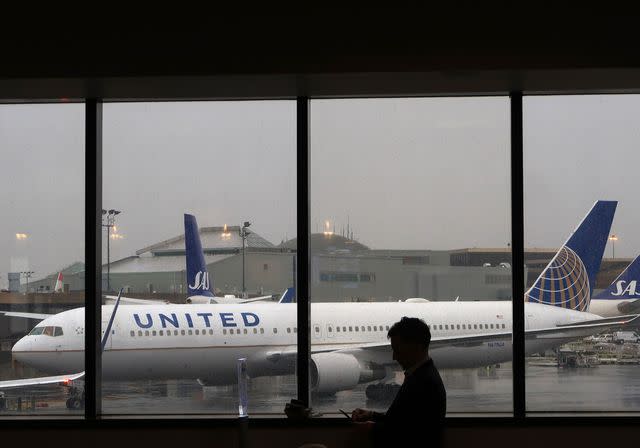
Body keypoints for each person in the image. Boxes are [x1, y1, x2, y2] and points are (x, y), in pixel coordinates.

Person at [351, 317, 446, 447]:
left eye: (397, 349)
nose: (394, 357)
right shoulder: (422, 376)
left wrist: (372, 429)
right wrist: (372, 415)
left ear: (416, 347)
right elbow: (402, 420)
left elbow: (409, 433)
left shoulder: (424, 382)